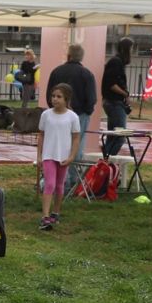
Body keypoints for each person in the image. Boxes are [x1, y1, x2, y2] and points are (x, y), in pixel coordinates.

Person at [47, 43, 97, 185]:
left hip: (58, 114)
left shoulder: (56, 72)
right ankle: (74, 181)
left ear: (68, 55)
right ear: (81, 57)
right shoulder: (87, 74)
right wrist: (87, 111)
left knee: (58, 145)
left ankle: (59, 179)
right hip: (80, 114)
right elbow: (92, 98)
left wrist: (55, 109)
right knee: (77, 146)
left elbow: (49, 94)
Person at [37, 83, 81, 231]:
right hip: (48, 155)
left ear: (66, 99)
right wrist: (39, 156)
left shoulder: (72, 117)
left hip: (63, 156)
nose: (55, 99)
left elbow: (76, 138)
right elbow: (41, 135)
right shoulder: (46, 115)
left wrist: (72, 156)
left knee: (59, 185)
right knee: (49, 184)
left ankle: (55, 212)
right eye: (53, 96)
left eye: (59, 96)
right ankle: (45, 216)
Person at [101, 37, 134, 157]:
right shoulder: (116, 62)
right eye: (131, 48)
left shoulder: (117, 62)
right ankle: (107, 159)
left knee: (113, 135)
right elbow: (111, 84)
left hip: (113, 102)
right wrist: (125, 94)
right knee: (120, 136)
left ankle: (105, 160)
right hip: (114, 102)